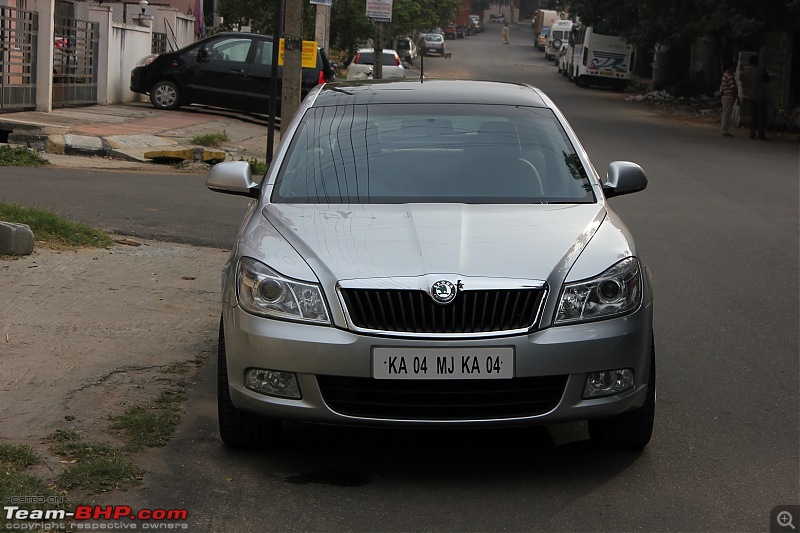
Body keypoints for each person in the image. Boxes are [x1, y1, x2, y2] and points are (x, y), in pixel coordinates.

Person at [741, 55, 769, 139]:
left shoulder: (747, 71)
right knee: (762, 115)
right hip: (760, 96)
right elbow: (767, 80)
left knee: (753, 115)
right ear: (757, 62)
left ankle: (752, 133)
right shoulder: (761, 70)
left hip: (751, 96)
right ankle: (760, 134)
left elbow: (745, 82)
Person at [719, 62, 739, 137]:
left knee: (725, 114)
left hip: (725, 97)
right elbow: (733, 87)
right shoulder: (729, 76)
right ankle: (724, 131)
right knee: (727, 115)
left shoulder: (724, 75)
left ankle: (724, 130)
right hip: (729, 97)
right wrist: (737, 97)